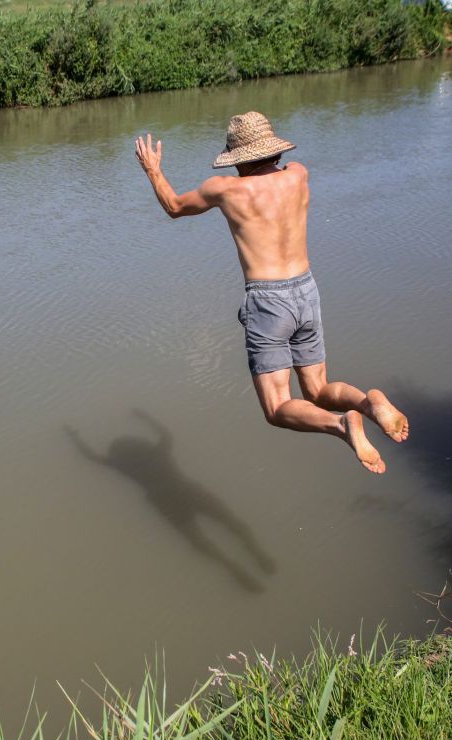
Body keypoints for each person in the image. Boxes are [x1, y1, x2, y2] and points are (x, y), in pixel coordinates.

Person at [134, 111, 408, 474]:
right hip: (306, 290)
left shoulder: (225, 189)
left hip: (268, 301)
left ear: (238, 158)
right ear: (273, 149)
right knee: (318, 390)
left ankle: (343, 425)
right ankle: (369, 403)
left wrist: (153, 169)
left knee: (278, 407)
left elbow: (174, 207)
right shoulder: (299, 174)